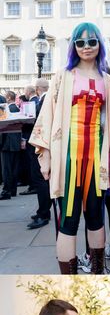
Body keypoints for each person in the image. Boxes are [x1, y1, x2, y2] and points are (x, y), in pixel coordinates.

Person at [30, 23, 110, 274]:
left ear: (99, 44)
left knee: (96, 217)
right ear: (73, 46)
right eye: (80, 42)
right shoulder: (63, 77)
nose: (86, 47)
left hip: (96, 159)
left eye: (91, 42)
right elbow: (46, 116)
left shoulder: (108, 79)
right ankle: (70, 278)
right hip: (68, 159)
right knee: (69, 218)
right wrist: (46, 160)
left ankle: (98, 272)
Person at [27, 78, 52, 229]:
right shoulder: (43, 100)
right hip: (41, 144)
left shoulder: (45, 100)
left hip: (42, 146)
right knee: (41, 180)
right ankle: (42, 211)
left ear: (37, 89)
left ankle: (44, 213)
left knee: (41, 180)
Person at [0, 91, 21, 200]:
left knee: (6, 169)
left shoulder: (4, 109)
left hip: (6, 143)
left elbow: (2, 127)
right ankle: (13, 190)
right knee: (14, 168)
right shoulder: (18, 109)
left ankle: (6, 191)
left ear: (8, 98)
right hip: (16, 143)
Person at [19, 85, 39, 196]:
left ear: (28, 92)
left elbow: (28, 121)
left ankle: (33, 186)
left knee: (32, 163)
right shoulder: (36, 101)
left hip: (31, 137)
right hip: (35, 136)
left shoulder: (31, 103)